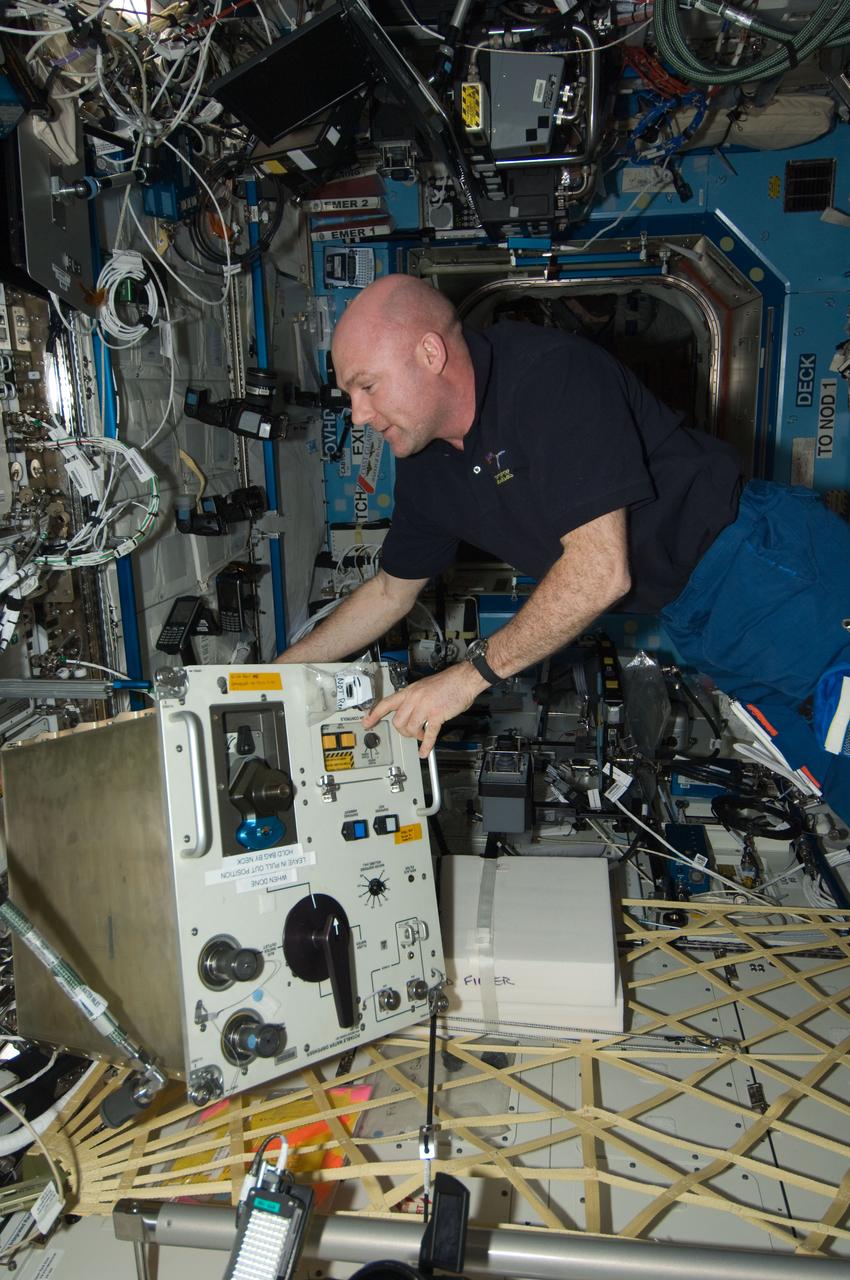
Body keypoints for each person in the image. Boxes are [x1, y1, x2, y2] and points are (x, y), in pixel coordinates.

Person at [277, 273, 850, 825]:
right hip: (694, 618)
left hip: (760, 570)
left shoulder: (548, 375)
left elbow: (600, 572)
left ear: (429, 353)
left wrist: (466, 677)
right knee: (834, 770)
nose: (358, 415)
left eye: (367, 386)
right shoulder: (427, 468)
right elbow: (389, 592)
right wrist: (270, 678)